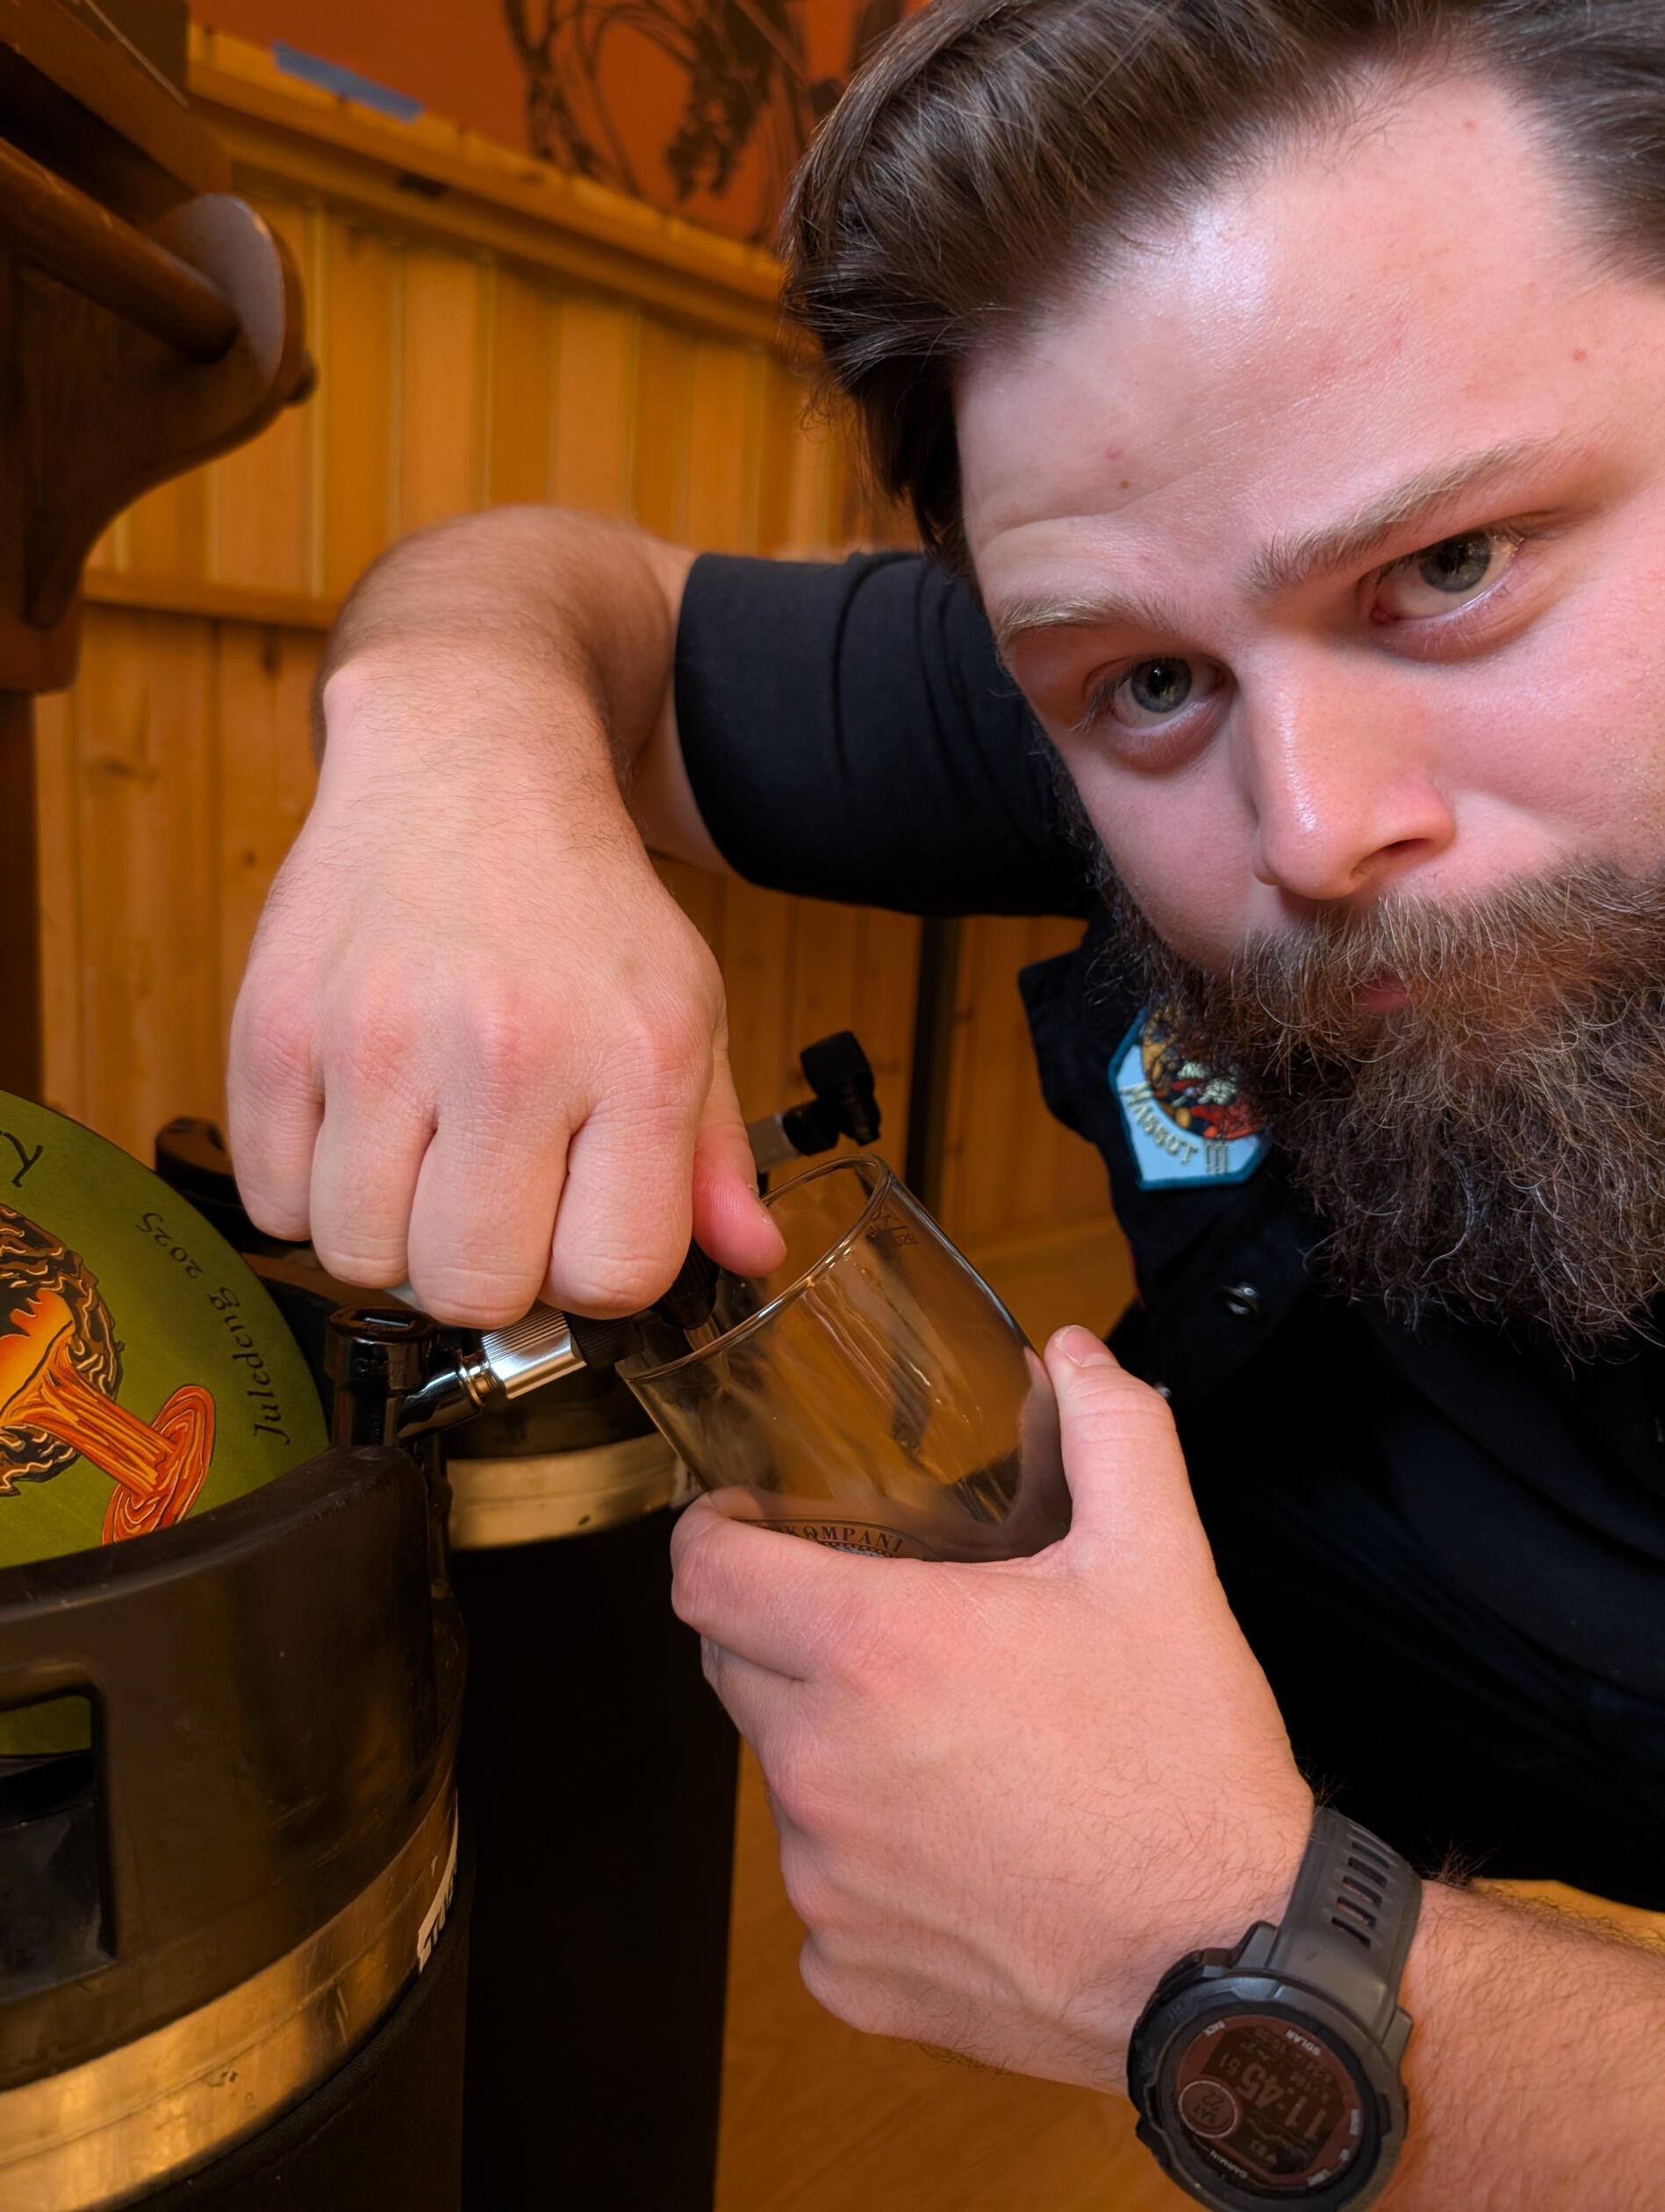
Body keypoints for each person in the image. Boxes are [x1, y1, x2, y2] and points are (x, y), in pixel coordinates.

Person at [230, 1, 1665, 2200]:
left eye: (1451, 569)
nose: (1305, 828)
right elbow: (561, 589)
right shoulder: (1126, 650)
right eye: (1151, 685)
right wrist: (457, 776)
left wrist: (1261, 1969)